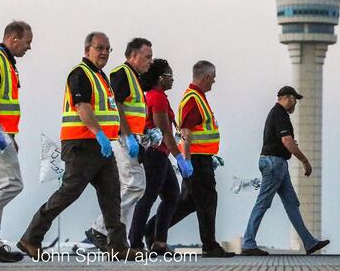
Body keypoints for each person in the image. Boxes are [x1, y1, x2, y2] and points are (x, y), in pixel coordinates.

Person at [17, 32, 139, 261]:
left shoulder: (100, 76)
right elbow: (83, 107)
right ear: (87, 50)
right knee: (68, 193)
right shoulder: (80, 74)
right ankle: (31, 238)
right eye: (99, 47)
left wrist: (117, 137)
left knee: (112, 194)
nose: (104, 52)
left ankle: (118, 246)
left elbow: (108, 110)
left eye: (107, 49)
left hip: (101, 146)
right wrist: (100, 135)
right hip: (82, 145)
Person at [146, 60, 234, 258]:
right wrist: (185, 161)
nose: (214, 81)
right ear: (206, 77)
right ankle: (209, 245)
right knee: (207, 200)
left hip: (201, 158)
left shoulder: (198, 97)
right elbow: (185, 131)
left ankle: (151, 231)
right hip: (196, 160)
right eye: (213, 77)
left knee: (188, 202)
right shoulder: (193, 99)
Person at [241, 86, 330, 256]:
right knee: (263, 203)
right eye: (294, 99)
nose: (295, 102)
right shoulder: (280, 114)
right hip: (274, 163)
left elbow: (284, 141)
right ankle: (248, 242)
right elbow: (287, 140)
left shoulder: (277, 114)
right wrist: (304, 160)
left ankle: (309, 242)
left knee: (292, 203)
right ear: (286, 98)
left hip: (278, 163)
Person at [86, 38, 153, 250]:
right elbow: (118, 107)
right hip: (122, 139)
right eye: (147, 56)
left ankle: (115, 238)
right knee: (134, 185)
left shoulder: (135, 78)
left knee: (133, 187)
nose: (150, 61)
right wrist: (129, 136)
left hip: (130, 138)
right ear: (133, 56)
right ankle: (101, 228)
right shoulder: (122, 75)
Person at [0, 21, 33, 263]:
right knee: (12, 184)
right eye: (27, 42)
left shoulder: (7, 63)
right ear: (13, 38)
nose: (29, 47)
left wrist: (10, 135)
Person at [129, 58, 192, 254]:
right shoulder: (156, 97)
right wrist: (180, 158)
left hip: (161, 154)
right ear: (159, 78)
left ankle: (159, 242)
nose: (173, 79)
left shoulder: (159, 96)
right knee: (148, 198)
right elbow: (164, 131)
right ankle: (136, 243)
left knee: (172, 196)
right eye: (169, 75)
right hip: (154, 155)